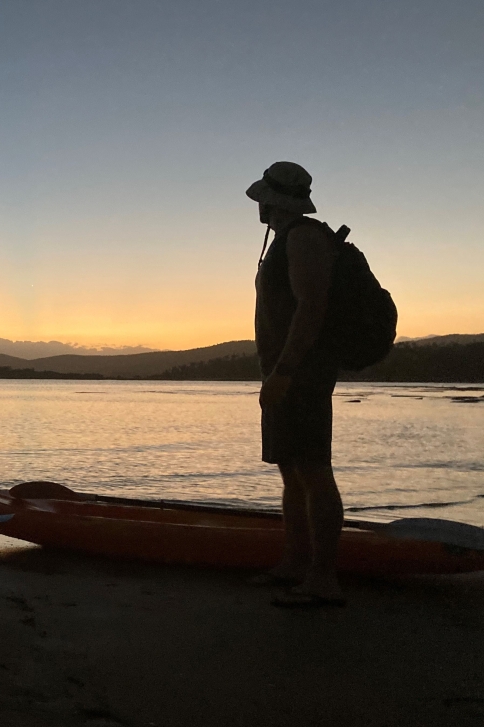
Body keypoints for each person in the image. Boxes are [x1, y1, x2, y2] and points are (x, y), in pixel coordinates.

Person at [247, 161, 345, 607]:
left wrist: (285, 371)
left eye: (263, 198)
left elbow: (311, 307)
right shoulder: (285, 239)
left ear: (274, 198)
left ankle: (323, 578)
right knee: (292, 471)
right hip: (284, 371)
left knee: (313, 471)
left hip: (300, 372)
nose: (259, 206)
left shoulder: (304, 237)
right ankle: (294, 563)